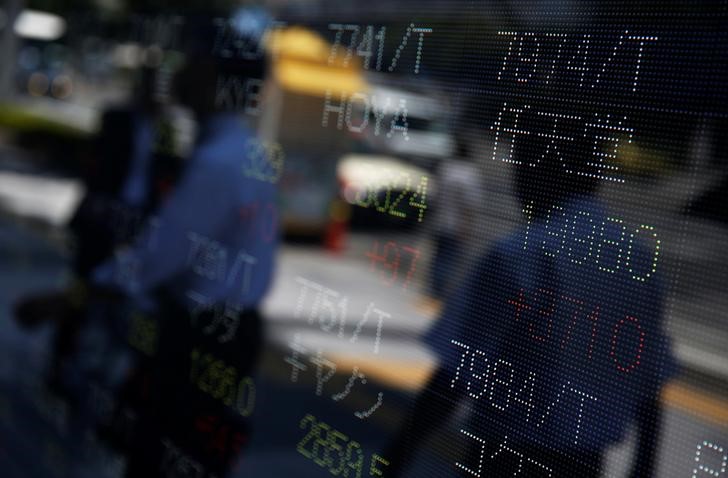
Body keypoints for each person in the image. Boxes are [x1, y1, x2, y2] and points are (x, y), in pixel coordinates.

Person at [383, 103, 676, 477]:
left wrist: (393, 460)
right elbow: (649, 378)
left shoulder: (522, 253)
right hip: (585, 464)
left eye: (520, 164)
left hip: (504, 460)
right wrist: (644, 465)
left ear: (534, 170)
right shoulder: (636, 259)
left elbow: (454, 375)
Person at [89, 23, 277, 477]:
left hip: (203, 336)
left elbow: (158, 257)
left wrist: (81, 292)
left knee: (164, 459)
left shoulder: (220, 161)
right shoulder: (241, 151)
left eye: (193, 61)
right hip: (220, 331)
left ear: (215, 77)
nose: (181, 72)